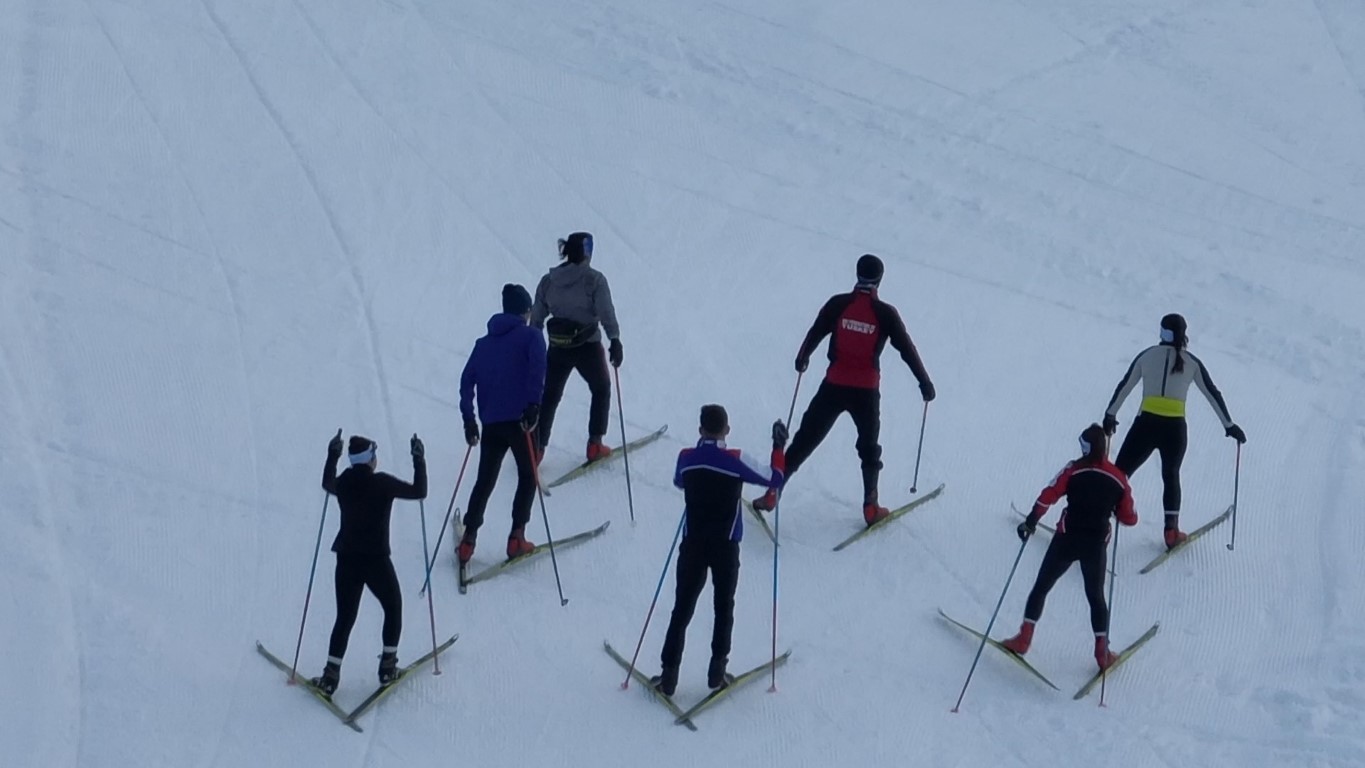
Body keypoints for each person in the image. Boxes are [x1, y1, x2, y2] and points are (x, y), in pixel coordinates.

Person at [751, 254, 935, 526]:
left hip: (834, 385)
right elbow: (906, 349)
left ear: (857, 274)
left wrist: (803, 357)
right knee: (869, 449)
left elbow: (816, 331)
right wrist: (924, 383)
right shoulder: (885, 314)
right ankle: (871, 508)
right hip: (866, 392)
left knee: (805, 440)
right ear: (880, 279)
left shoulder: (838, 304)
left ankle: (772, 493)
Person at [651, 405, 787, 696]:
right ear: (726, 429)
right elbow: (774, 479)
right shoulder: (734, 458)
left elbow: (679, 481)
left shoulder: (686, 458)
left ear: (700, 430)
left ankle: (668, 676)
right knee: (723, 607)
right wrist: (778, 446)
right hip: (725, 546)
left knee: (682, 609)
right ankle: (716, 673)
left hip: (693, 544)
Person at [1102, 313, 1245, 549]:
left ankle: (1099, 519)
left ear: (1161, 332)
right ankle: (1171, 532)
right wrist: (1229, 426)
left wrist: (1110, 415)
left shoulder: (1146, 356)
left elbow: (1125, 385)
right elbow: (1212, 393)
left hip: (1145, 425)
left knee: (1119, 473)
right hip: (1175, 429)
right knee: (1171, 476)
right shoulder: (1191, 362)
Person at [1001, 424, 1137, 671]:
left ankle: (1023, 639)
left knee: (1041, 587)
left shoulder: (1073, 470)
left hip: (1066, 539)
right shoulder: (1118, 478)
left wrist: (1031, 521)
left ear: (1085, 448)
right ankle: (1102, 653)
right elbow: (1130, 518)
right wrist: (1116, 508)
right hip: (1095, 545)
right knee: (1096, 597)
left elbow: (1049, 494)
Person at [311, 430, 428, 696]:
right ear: (370, 459)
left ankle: (330, 677)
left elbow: (327, 482)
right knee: (393, 607)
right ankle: (387, 668)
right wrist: (419, 460)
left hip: (347, 558)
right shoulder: (382, 483)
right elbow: (419, 491)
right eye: (375, 455)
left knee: (345, 617)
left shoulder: (344, 482)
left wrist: (332, 455)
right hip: (376, 561)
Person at [458, 283, 547, 564]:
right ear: (525, 311)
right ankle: (516, 537)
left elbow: (466, 382)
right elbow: (537, 371)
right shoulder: (532, 337)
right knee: (528, 476)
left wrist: (469, 421)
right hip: (522, 423)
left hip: (491, 425)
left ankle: (468, 540)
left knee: (485, 480)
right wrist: (533, 406)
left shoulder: (482, 344)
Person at [529, 231, 622, 463]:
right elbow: (606, 312)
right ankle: (595, 444)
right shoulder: (594, 280)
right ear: (587, 251)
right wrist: (615, 339)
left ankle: (537, 449)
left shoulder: (549, 281)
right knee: (600, 388)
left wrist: (532, 345)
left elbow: (537, 317)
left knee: (549, 395)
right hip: (587, 346)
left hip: (557, 347)